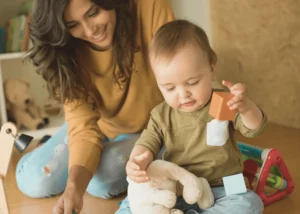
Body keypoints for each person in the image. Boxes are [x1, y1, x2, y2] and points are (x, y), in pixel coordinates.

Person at [15, 0, 174, 213]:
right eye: (72, 25)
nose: (90, 30)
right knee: (34, 180)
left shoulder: (149, 6)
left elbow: (178, 70)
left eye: (93, 12)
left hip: (150, 129)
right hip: (96, 126)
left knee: (101, 182)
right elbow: (83, 128)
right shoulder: (66, 48)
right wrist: (74, 188)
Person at [123, 20, 267, 214]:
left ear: (212, 69)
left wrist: (246, 108)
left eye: (192, 82)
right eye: (170, 88)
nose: (183, 95)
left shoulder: (222, 101)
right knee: (135, 202)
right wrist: (137, 162)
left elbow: (254, 129)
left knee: (250, 204)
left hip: (224, 184)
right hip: (179, 187)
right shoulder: (161, 115)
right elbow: (146, 144)